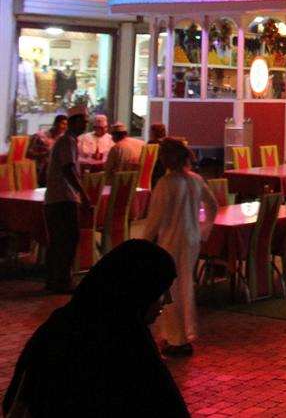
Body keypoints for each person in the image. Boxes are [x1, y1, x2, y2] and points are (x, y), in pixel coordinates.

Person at [3, 239, 188, 418]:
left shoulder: (62, 323)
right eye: (160, 291)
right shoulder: (126, 344)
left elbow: (16, 398)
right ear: (138, 290)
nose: (168, 300)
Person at [142, 137, 217, 357]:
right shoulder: (195, 180)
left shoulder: (166, 184)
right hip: (191, 240)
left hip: (171, 242)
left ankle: (176, 338)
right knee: (185, 287)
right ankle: (183, 334)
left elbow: (154, 220)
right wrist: (203, 231)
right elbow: (212, 205)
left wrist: (144, 244)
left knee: (171, 291)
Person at [43, 109, 93, 293]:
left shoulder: (68, 141)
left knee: (59, 240)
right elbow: (68, 169)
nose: (86, 124)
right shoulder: (67, 142)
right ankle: (61, 280)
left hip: (59, 197)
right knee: (67, 239)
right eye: (83, 121)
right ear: (74, 122)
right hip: (63, 197)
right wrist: (83, 194)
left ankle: (54, 279)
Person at [25, 114, 67, 187]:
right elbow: (28, 154)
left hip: (56, 174)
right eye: (63, 124)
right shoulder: (40, 136)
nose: (65, 127)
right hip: (40, 172)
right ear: (55, 123)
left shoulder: (63, 139)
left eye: (67, 125)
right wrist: (45, 154)